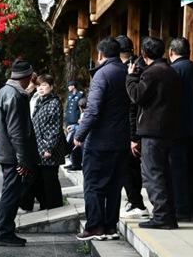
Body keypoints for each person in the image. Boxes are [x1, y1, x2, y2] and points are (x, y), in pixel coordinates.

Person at [74, 37, 130, 241]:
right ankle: (110, 226)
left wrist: (80, 134)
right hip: (122, 138)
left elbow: (93, 109)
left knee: (94, 185)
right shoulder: (127, 72)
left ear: (100, 54)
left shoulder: (102, 75)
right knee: (114, 186)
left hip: (100, 140)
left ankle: (95, 227)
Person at [126, 36, 181, 230]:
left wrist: (131, 77)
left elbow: (137, 96)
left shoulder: (152, 73)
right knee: (164, 173)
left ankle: (161, 217)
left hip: (152, 130)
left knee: (153, 174)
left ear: (144, 53)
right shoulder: (171, 71)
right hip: (168, 129)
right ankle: (168, 215)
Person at [0, 59, 39, 247]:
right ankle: (3, 232)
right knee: (11, 193)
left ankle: (5, 230)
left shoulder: (5, 91)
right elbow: (17, 131)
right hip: (12, 153)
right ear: (27, 77)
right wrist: (22, 160)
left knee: (10, 191)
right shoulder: (15, 95)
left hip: (5, 150)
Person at [168, 37, 193, 222]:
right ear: (189, 51)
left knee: (177, 170)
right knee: (192, 168)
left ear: (171, 52)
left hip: (176, 128)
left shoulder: (172, 71)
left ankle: (181, 209)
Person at [116, 35, 148, 218]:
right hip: (135, 124)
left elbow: (132, 105)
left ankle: (137, 202)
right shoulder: (136, 65)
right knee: (131, 167)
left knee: (129, 167)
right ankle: (135, 201)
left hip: (133, 124)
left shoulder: (133, 68)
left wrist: (133, 137)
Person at [31, 74, 65, 210]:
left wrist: (48, 148)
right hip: (39, 147)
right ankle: (46, 205)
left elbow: (54, 128)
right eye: (38, 85)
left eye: (44, 85)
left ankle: (54, 207)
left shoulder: (54, 103)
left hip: (49, 149)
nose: (40, 88)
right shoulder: (41, 101)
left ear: (51, 87)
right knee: (41, 180)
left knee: (50, 180)